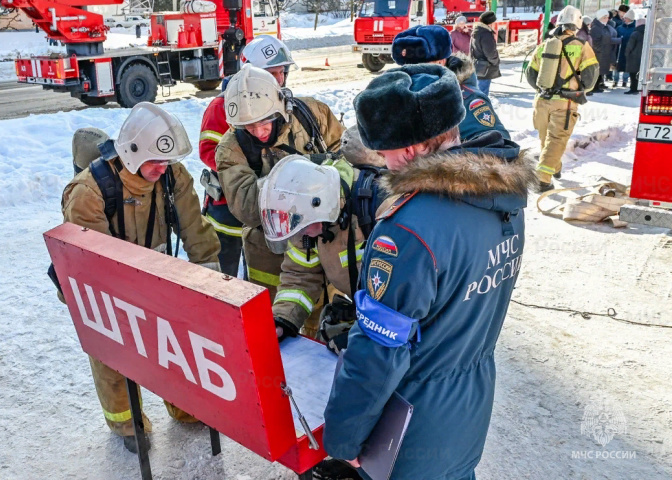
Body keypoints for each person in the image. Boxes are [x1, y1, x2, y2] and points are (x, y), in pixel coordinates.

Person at [322, 63, 532, 480]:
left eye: (384, 149)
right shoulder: (501, 198)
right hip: (468, 409)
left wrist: (342, 439)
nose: (380, 160)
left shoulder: (407, 231)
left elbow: (377, 354)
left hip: (409, 429)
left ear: (414, 149)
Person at [62, 103, 221, 453]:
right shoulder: (88, 193)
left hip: (156, 276)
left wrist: (211, 292)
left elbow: (197, 232)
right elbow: (89, 267)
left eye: (166, 161)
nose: (161, 169)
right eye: (154, 161)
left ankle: (186, 406)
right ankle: (126, 423)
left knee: (174, 342)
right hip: (103, 283)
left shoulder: (171, 175)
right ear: (130, 152)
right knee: (113, 351)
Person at [216, 65, 344, 337]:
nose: (258, 132)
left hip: (328, 239)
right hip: (269, 254)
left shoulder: (312, 115)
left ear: (279, 108)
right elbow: (247, 206)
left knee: (329, 324)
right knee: (276, 330)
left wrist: (283, 184)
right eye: (248, 126)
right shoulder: (231, 148)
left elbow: (346, 161)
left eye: (264, 122)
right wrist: (311, 177)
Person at [260, 132, 384, 350]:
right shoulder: (305, 216)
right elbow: (300, 276)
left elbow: (405, 295)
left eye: (305, 228)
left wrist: (369, 338)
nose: (303, 235)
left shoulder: (375, 211)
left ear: (323, 208)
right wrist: (282, 320)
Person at [199, 36, 297, 277]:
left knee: (261, 271)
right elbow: (208, 151)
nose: (280, 79)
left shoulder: (278, 104)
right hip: (227, 207)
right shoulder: (221, 106)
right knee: (226, 274)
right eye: (273, 74)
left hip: (266, 205)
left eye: (282, 72)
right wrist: (245, 169)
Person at [392, 24, 510, 141]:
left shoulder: (466, 99)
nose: (412, 73)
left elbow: (498, 147)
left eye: (420, 66)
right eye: (407, 67)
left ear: (441, 62)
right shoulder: (400, 95)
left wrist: (439, 158)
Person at [526, 6, 598, 192]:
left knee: (545, 139)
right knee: (556, 140)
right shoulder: (582, 46)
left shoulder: (543, 47)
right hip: (564, 103)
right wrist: (578, 88)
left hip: (541, 101)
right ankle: (542, 179)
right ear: (576, 25)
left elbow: (531, 76)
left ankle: (555, 167)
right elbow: (590, 79)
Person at [470, 10, 501, 96]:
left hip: (477, 66)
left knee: (477, 92)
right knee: (483, 94)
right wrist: (496, 62)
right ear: (490, 23)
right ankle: (481, 109)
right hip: (485, 68)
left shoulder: (476, 31)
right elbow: (490, 53)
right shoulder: (486, 34)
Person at [590, 9, 620, 92]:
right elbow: (595, 42)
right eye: (606, 17)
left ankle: (598, 86)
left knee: (600, 71)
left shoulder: (603, 26)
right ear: (601, 18)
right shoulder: (596, 28)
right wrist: (601, 50)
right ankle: (594, 87)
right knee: (597, 71)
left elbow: (607, 39)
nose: (607, 19)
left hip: (603, 53)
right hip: (598, 54)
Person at [615, 9, 636, 88]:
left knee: (627, 65)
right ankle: (615, 80)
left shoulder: (634, 28)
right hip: (620, 48)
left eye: (626, 18)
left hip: (630, 49)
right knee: (618, 65)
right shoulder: (620, 27)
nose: (624, 19)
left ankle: (625, 81)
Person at [624, 18, 645, 95]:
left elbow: (630, 46)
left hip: (633, 57)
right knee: (639, 74)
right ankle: (638, 88)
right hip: (642, 58)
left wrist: (626, 54)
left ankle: (633, 89)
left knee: (633, 74)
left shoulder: (635, 33)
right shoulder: (647, 33)